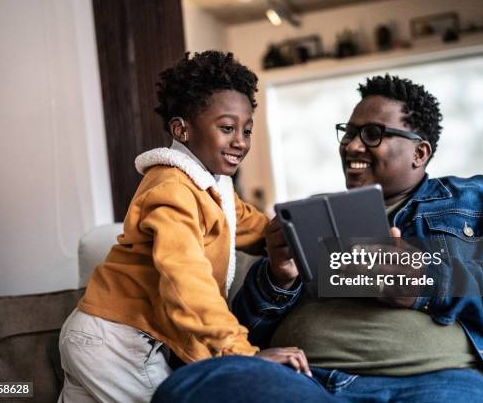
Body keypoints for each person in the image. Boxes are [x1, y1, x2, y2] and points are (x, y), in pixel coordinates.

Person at [152, 74, 483, 403]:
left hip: (439, 384)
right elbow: (247, 331)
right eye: (348, 132)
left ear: (419, 153)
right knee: (192, 386)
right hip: (307, 383)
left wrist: (426, 281)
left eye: (372, 134)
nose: (351, 145)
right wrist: (278, 277)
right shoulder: (315, 212)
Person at [57, 51, 310, 403]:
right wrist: (243, 354)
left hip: (96, 334)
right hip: (116, 341)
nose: (240, 140)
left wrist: (302, 236)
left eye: (247, 129)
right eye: (226, 128)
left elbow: (254, 227)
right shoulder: (173, 190)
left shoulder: (214, 188)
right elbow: (186, 279)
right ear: (182, 129)